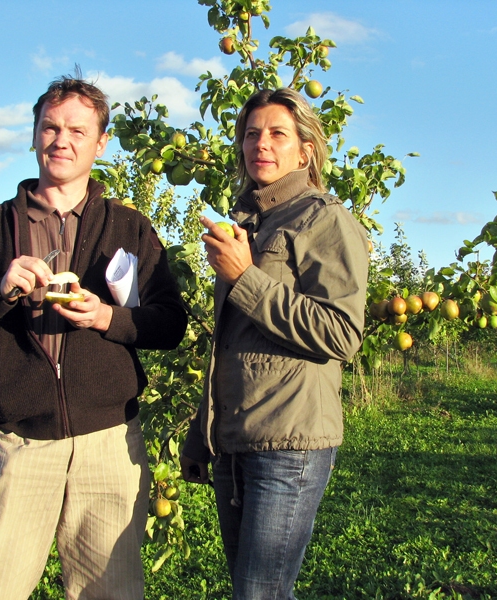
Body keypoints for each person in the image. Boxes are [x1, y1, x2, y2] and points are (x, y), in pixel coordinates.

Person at [0, 72, 187, 600]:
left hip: (108, 444)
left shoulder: (129, 228)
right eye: (50, 127)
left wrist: (109, 319)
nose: (61, 140)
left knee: (109, 593)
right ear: (34, 133)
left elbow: (170, 322)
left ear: (101, 143)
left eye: (77, 131)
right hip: (19, 443)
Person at [181, 87, 369, 599]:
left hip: (289, 442)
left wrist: (246, 277)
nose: (260, 144)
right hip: (237, 442)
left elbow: (341, 333)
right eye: (250, 134)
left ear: (306, 150)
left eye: (277, 134)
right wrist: (204, 432)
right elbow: (230, 343)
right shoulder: (248, 222)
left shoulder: (325, 220)